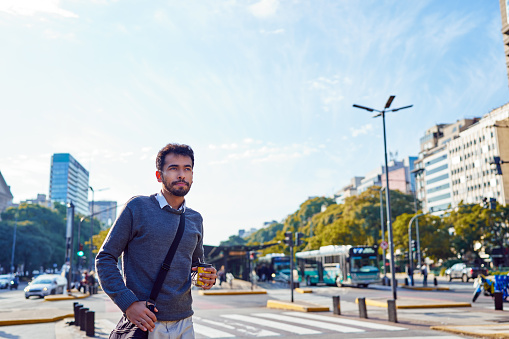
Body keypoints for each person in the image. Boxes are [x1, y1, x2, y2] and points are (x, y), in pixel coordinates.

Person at [96, 143, 217, 338]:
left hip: (185, 323)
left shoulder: (196, 218)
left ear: (193, 176)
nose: (181, 175)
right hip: (146, 324)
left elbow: (195, 267)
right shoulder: (138, 207)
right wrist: (128, 304)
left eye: (187, 169)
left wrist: (205, 277)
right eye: (173, 168)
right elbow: (105, 258)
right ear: (159, 176)